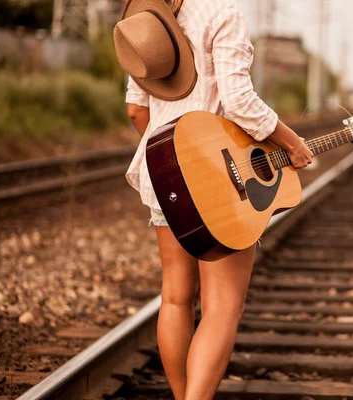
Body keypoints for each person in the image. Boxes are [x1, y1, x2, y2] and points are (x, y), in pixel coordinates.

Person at [113, 0, 313, 398]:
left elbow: (137, 110)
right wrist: (292, 142)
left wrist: (175, 160)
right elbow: (239, 102)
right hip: (221, 182)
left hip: (164, 174)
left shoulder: (144, 20)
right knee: (221, 306)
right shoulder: (223, 14)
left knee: (174, 298)